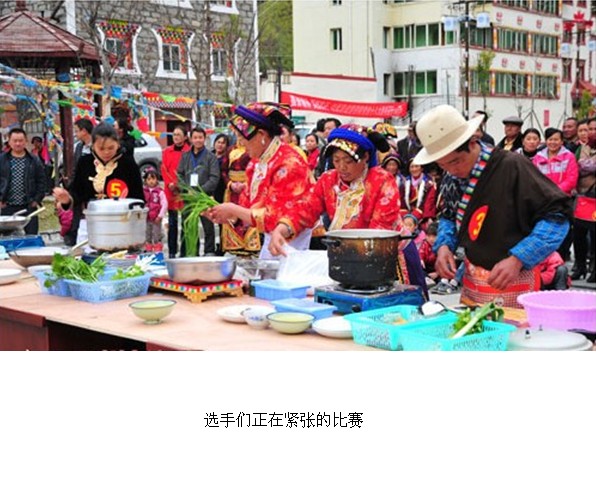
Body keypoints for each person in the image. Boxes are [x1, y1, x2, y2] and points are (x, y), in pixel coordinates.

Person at [413, 104, 572, 308]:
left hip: (516, 279)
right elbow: (449, 215)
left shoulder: (512, 166)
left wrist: (518, 258)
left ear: (472, 142)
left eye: (455, 162)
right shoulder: (451, 176)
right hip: (473, 282)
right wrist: (444, 245)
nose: (451, 170)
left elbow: (557, 218)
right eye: (443, 165)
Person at [267, 124, 429, 295]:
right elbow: (306, 209)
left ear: (366, 157)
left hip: (389, 258)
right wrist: (282, 228)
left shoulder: (382, 181)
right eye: (336, 160)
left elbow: (379, 231)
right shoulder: (328, 180)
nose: (341, 167)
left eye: (348, 161)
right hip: (348, 259)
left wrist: (348, 259)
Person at [205, 102, 314, 259]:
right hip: (270, 239)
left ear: (262, 135)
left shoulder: (289, 163)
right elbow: (248, 206)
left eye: (242, 138)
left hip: (292, 243)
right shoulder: (256, 163)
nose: (241, 144)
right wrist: (226, 215)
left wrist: (233, 210)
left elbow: (278, 217)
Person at [52, 123, 145, 243]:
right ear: (93, 146)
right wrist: (67, 200)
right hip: (91, 222)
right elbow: (77, 193)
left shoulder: (128, 164)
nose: (106, 152)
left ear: (118, 144)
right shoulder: (85, 163)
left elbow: (139, 198)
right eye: (101, 148)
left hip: (122, 222)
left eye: (110, 148)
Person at [532, 127, 578, 262]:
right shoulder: (538, 158)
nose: (553, 142)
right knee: (543, 230)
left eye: (556, 139)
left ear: (562, 141)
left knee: (562, 231)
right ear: (546, 141)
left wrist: (556, 192)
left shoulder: (568, 156)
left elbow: (572, 178)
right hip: (544, 201)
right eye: (550, 139)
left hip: (563, 200)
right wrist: (546, 193)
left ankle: (561, 259)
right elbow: (534, 178)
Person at [177, 127, 220, 256]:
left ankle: (209, 252)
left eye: (200, 137)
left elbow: (214, 178)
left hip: (204, 197)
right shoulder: (185, 156)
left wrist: (200, 191)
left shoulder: (211, 157)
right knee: (189, 226)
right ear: (191, 139)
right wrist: (186, 189)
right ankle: (191, 253)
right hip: (189, 198)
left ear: (204, 139)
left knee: (208, 226)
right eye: (195, 137)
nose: (198, 140)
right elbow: (179, 175)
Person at [0, 128, 47, 235]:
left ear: (25, 141)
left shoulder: (34, 160)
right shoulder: (2, 160)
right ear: (9, 141)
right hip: (7, 206)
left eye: (20, 140)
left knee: (31, 236)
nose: (18, 143)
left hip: (29, 206)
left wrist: (37, 199)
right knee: (8, 238)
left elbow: (42, 181)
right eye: (15, 141)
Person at [219, 143, 261, 255]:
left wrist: (246, 184)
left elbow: (258, 169)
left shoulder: (253, 148)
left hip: (248, 188)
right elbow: (223, 170)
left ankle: (249, 244)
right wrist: (230, 184)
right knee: (231, 216)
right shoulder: (230, 149)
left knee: (247, 215)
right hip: (232, 189)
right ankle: (233, 245)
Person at [571, 117, 596, 282]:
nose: (592, 132)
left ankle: (594, 269)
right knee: (578, 233)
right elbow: (577, 166)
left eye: (595, 129)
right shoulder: (583, 148)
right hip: (582, 195)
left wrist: (586, 165)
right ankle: (580, 266)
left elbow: (585, 166)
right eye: (590, 129)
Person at [63, 118, 95, 246]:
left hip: (94, 187)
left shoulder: (97, 146)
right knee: (77, 214)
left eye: (77, 131)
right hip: (80, 186)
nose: (75, 134)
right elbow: (76, 168)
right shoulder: (79, 147)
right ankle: (75, 238)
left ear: (84, 131)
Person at [161, 125, 190, 258]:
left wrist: (179, 184)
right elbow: (164, 169)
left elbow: (189, 170)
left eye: (179, 135)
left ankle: (184, 251)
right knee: (172, 223)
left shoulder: (189, 151)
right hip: (170, 190)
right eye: (174, 134)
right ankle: (172, 251)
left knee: (185, 222)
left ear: (185, 137)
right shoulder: (167, 151)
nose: (176, 137)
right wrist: (170, 184)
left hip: (183, 190)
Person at [401, 160, 437, 231]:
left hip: (423, 214)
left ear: (421, 168)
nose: (414, 169)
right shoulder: (404, 183)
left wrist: (414, 216)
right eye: (412, 167)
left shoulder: (429, 184)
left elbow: (429, 202)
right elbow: (402, 203)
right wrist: (406, 216)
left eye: (416, 166)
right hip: (407, 214)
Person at [143, 167, 168, 252]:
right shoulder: (144, 191)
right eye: (149, 179)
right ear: (145, 180)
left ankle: (157, 251)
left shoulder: (159, 192)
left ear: (157, 179)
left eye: (153, 179)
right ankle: (148, 250)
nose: (151, 181)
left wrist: (160, 216)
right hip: (146, 218)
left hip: (156, 218)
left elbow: (164, 204)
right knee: (147, 235)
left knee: (156, 234)